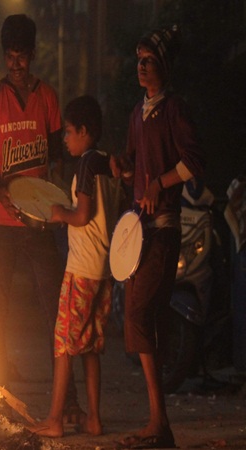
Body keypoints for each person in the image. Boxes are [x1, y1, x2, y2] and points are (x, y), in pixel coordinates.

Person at [0, 13, 83, 423]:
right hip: (3, 220)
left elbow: (58, 154)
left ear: (33, 55)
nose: (16, 64)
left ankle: (68, 398)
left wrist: (57, 196)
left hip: (39, 220)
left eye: (22, 57)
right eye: (10, 57)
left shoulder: (48, 98)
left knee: (54, 308)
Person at [112, 26, 205, 449]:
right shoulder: (137, 113)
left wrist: (159, 183)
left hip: (163, 231)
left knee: (137, 312)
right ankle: (159, 423)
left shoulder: (174, 110)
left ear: (163, 65)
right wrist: (123, 170)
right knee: (145, 317)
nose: (141, 66)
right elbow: (134, 166)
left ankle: (158, 421)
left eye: (148, 60)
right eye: (138, 59)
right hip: (138, 232)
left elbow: (193, 163)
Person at [30, 95, 121, 437]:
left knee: (64, 343)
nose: (65, 139)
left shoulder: (85, 164)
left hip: (81, 267)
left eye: (68, 132)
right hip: (104, 270)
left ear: (84, 131)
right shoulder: (108, 164)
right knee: (91, 346)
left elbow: (82, 216)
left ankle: (54, 420)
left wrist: (59, 214)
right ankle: (94, 419)